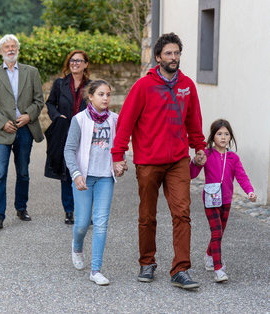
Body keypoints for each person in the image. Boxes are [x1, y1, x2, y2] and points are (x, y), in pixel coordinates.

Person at [111, 32, 207, 289]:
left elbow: (193, 120)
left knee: (182, 214)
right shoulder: (143, 86)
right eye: (169, 53)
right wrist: (117, 155)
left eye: (177, 53)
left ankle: (181, 269)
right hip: (149, 162)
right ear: (158, 57)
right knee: (147, 215)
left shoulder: (187, 85)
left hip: (178, 161)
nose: (174, 58)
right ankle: (147, 262)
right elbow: (126, 122)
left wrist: (199, 146)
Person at [0, 34, 44, 229]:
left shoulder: (31, 72)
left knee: (23, 172)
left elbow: (39, 100)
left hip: (24, 129)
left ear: (18, 50)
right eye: (6, 47)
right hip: (1, 131)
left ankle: (21, 207)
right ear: (0, 51)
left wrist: (28, 116)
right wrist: (2, 123)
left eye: (13, 46)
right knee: (0, 173)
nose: (10, 49)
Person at [64, 80, 122, 286]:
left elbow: (119, 148)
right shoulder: (79, 120)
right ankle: (77, 246)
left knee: (101, 223)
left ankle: (96, 270)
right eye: (101, 94)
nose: (106, 98)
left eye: (108, 94)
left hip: (105, 178)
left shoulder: (115, 119)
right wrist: (76, 173)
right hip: (84, 178)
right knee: (81, 224)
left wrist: (119, 164)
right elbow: (69, 149)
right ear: (90, 96)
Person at [190, 119, 256, 283]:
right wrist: (194, 161)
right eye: (219, 133)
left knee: (219, 233)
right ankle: (219, 269)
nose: (223, 137)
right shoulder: (206, 154)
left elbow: (241, 176)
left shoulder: (233, 157)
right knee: (217, 232)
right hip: (210, 200)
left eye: (226, 134)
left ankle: (208, 255)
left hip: (226, 201)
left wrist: (249, 191)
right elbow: (192, 174)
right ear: (212, 137)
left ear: (230, 137)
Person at [45, 50, 91, 225]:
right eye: (72, 60)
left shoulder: (92, 86)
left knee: (85, 171)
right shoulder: (60, 84)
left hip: (85, 133)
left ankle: (84, 211)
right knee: (66, 171)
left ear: (86, 64)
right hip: (64, 132)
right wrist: (57, 116)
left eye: (79, 61)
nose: (75, 63)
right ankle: (69, 211)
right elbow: (50, 103)